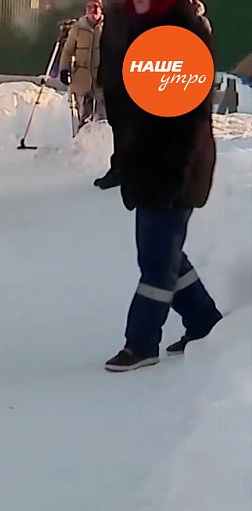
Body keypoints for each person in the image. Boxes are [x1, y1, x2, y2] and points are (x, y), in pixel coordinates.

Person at [103, 0, 223, 372]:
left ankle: (141, 342)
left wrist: (175, 171)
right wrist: (126, 157)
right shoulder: (134, 26)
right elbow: (130, 101)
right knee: (164, 254)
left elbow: (192, 116)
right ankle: (205, 323)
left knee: (156, 260)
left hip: (178, 165)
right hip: (149, 159)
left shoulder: (184, 30)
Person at [94, 0, 131, 190]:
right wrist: (102, 77)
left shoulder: (132, 13)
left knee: (129, 127)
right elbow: (106, 48)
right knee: (117, 125)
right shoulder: (112, 13)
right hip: (112, 79)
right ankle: (118, 168)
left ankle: (127, 170)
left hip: (129, 81)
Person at [59, 0, 106, 131]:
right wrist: (64, 69)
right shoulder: (78, 28)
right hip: (82, 79)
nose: (93, 10)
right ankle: (82, 144)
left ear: (101, 9)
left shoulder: (107, 28)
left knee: (103, 119)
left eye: (96, 7)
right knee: (84, 116)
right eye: (89, 7)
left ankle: (101, 145)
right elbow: (68, 50)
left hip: (101, 79)